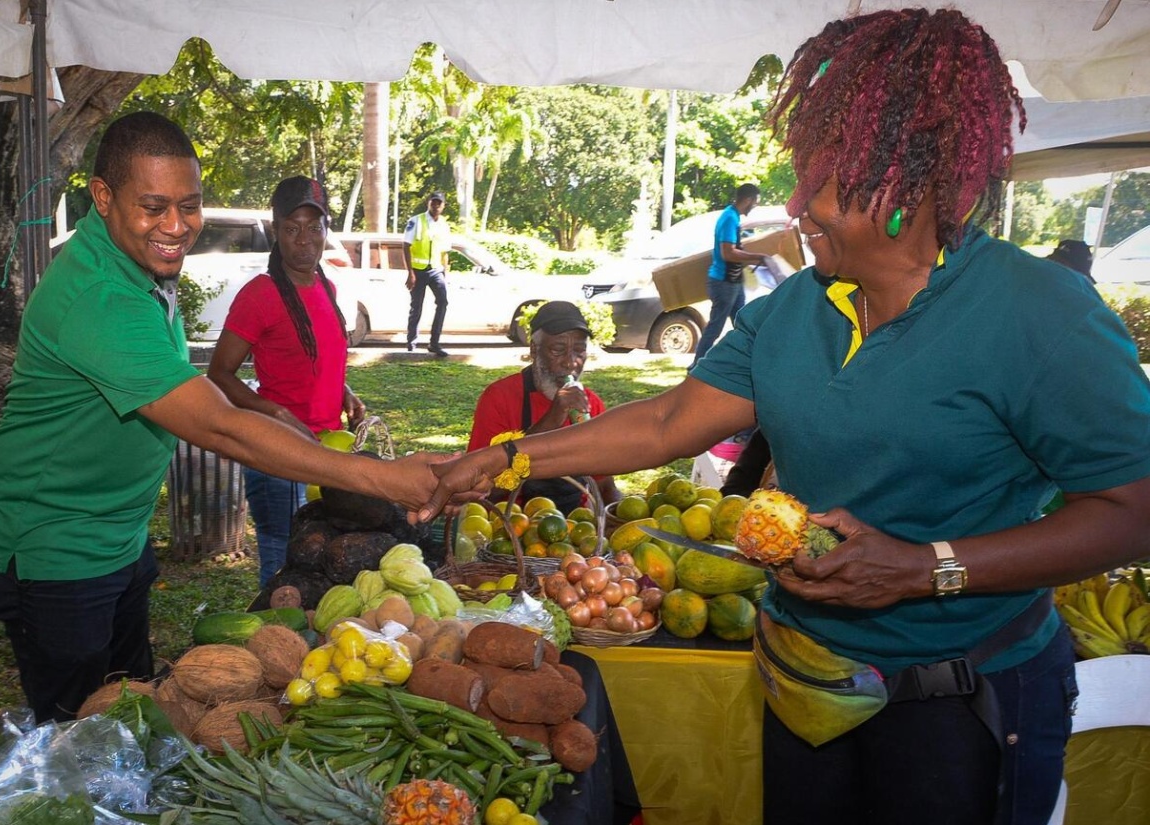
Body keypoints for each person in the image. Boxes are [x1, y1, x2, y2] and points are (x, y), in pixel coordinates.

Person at [419, 10, 1150, 825]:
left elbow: (1132, 511)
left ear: (910, 182)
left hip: (962, 704)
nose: (799, 203)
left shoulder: (1041, 315)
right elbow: (671, 423)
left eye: (826, 179)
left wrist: (927, 565)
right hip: (806, 686)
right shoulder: (799, 307)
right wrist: (512, 456)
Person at [0, 112, 464, 725]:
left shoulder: (135, 265)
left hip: (115, 533)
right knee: (79, 735)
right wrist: (378, 477)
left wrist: (291, 424)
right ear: (102, 197)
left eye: (190, 205)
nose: (176, 227)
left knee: (133, 707)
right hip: (50, 544)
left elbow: (204, 397)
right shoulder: (99, 296)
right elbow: (218, 425)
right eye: (153, 207)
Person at [207, 175, 367, 589]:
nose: (305, 239)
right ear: (277, 232)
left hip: (326, 451)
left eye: (315, 228)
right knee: (283, 563)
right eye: (293, 229)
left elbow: (315, 358)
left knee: (321, 560)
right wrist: (273, 410)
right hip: (279, 454)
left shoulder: (325, 286)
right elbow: (220, 373)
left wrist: (343, 392)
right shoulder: (261, 294)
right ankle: (274, 642)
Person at [467, 301, 622, 513]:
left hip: (576, 526)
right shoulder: (499, 398)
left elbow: (604, 484)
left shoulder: (590, 404)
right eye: (558, 350)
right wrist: (552, 419)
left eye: (579, 351)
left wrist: (621, 515)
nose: (571, 363)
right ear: (534, 349)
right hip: (512, 524)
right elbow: (479, 491)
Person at [691, 182, 762, 365]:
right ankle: (697, 364)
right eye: (755, 202)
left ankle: (747, 361)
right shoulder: (729, 218)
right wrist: (756, 257)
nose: (755, 206)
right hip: (723, 282)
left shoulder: (733, 217)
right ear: (748, 199)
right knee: (716, 326)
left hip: (733, 281)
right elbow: (727, 253)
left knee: (742, 324)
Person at [403, 191, 452, 356]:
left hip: (436, 270)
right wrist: (410, 273)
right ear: (428, 203)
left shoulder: (444, 224)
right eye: (433, 202)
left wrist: (445, 272)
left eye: (439, 203)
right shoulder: (416, 221)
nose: (436, 205)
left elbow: (445, 251)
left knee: (443, 303)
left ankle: (434, 343)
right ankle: (411, 343)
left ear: (443, 206)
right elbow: (406, 246)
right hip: (418, 270)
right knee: (416, 307)